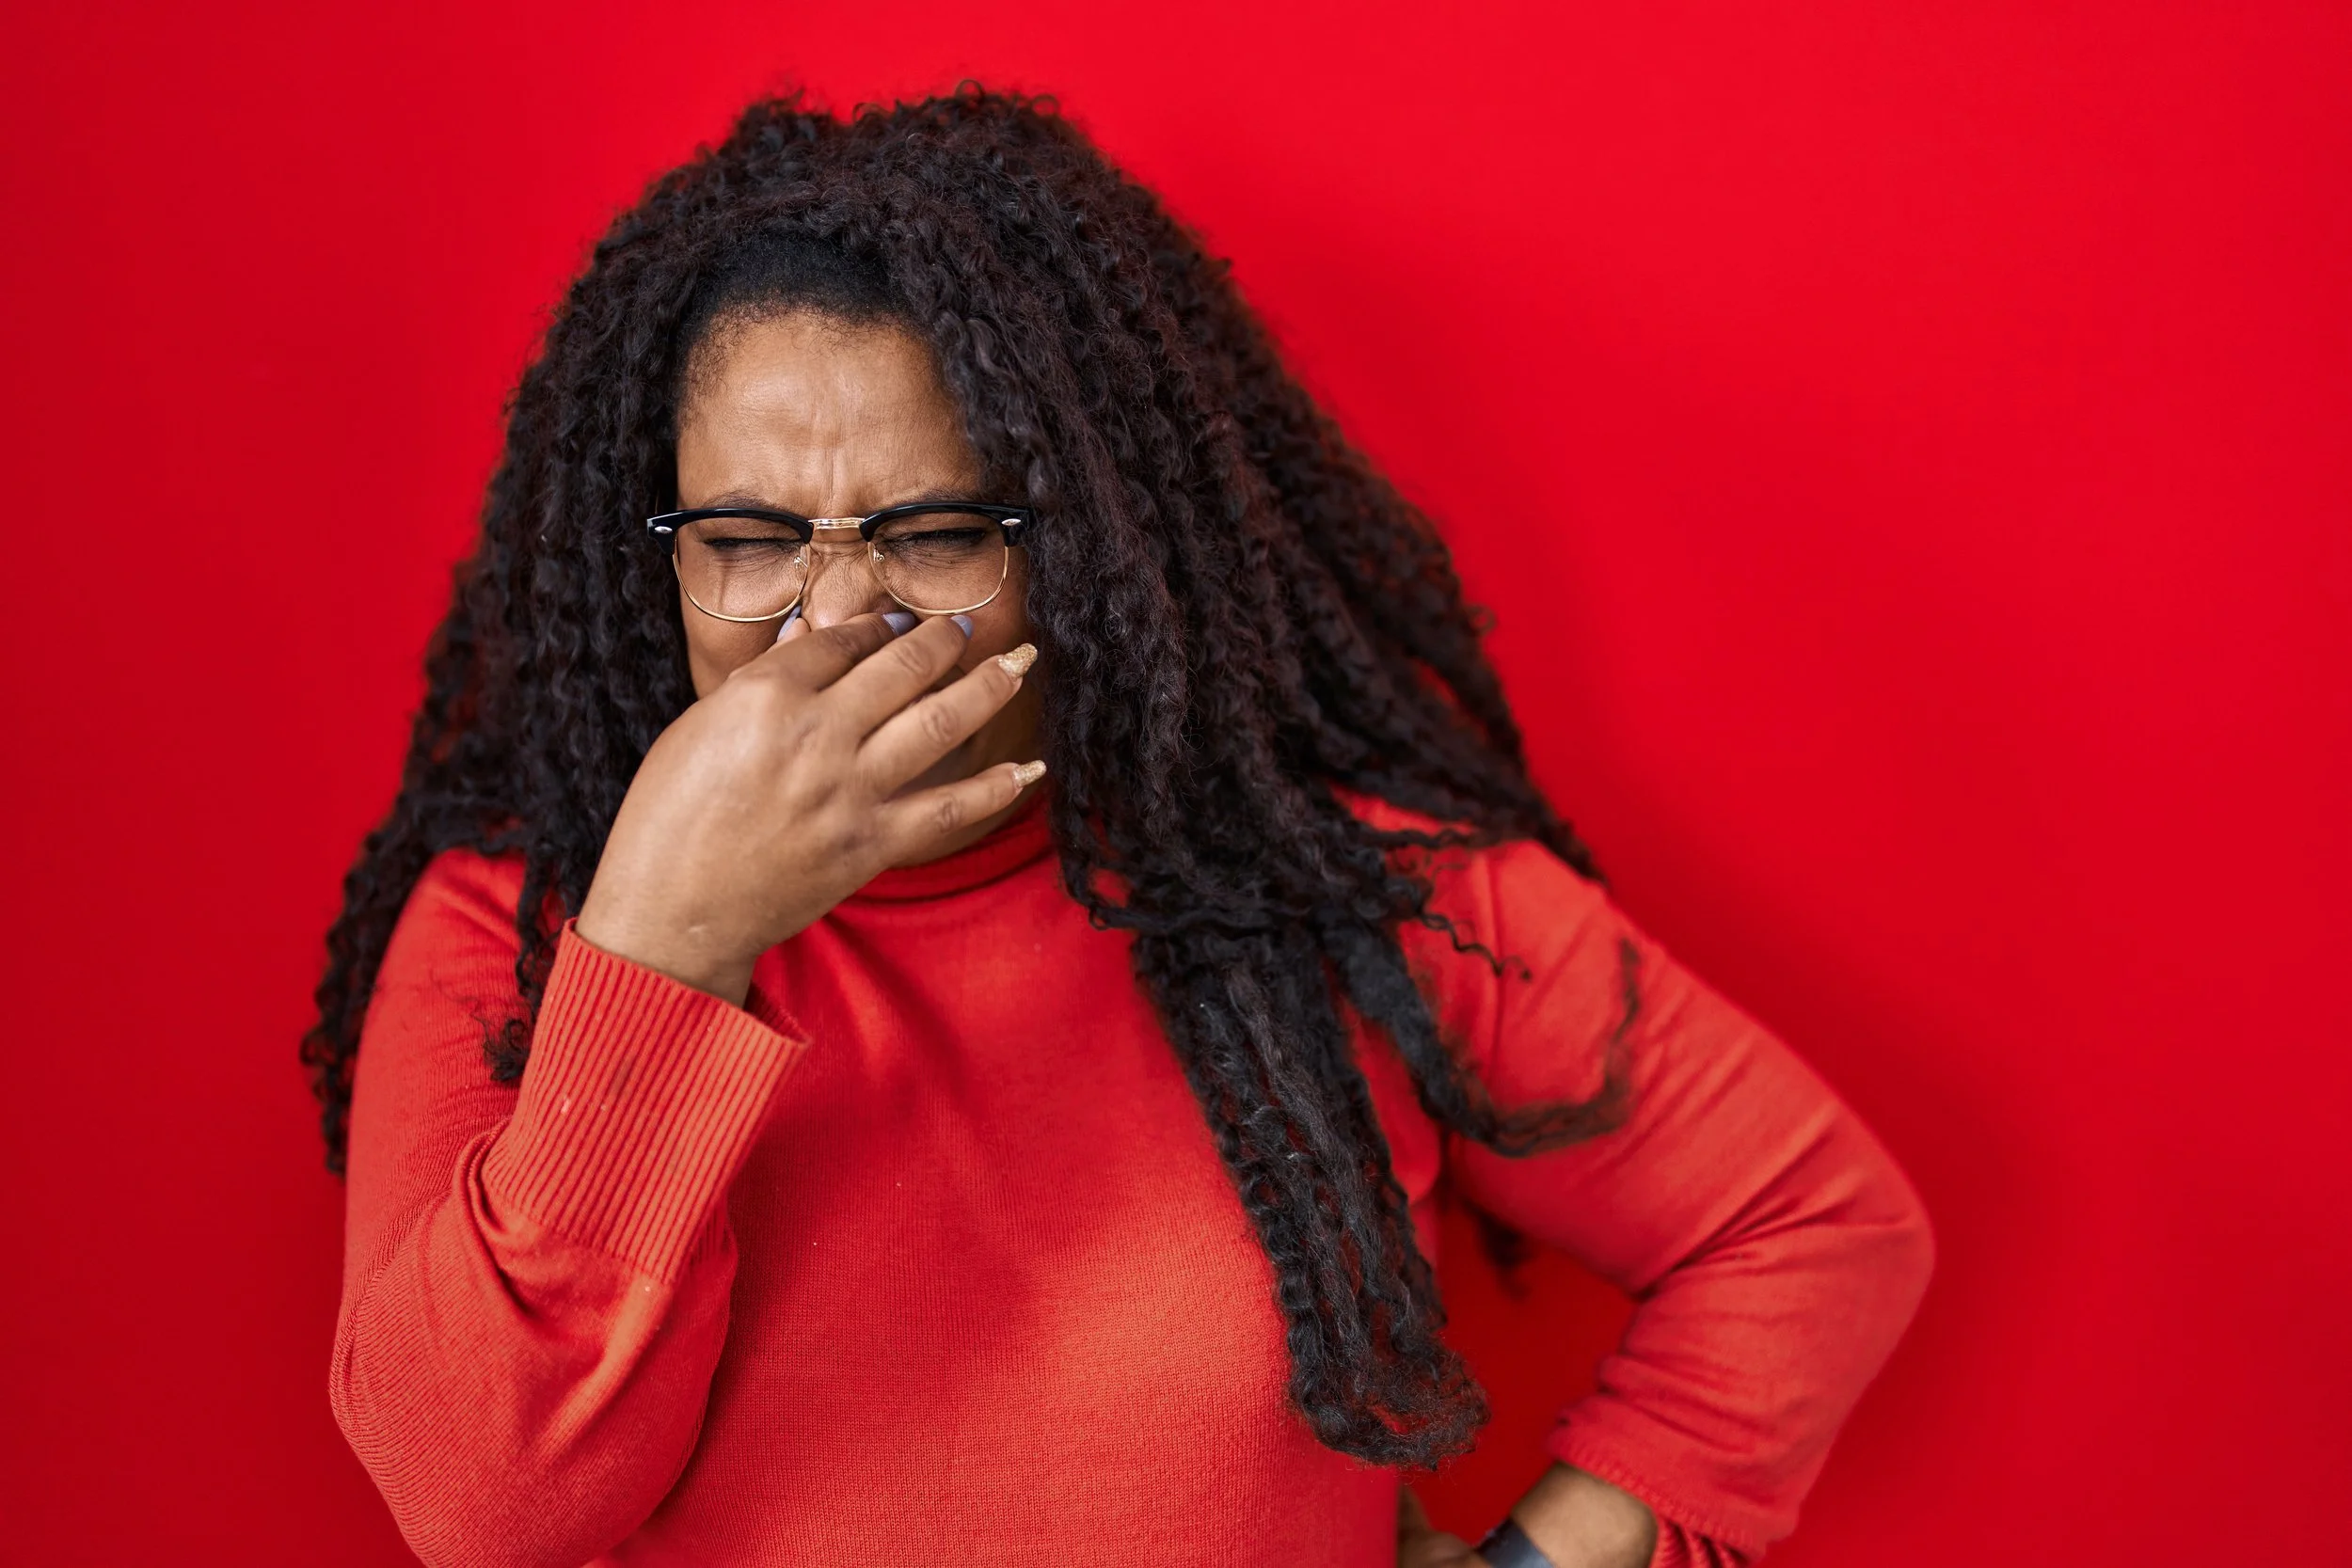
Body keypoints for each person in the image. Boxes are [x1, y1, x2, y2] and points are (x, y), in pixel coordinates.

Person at [307, 87, 1933, 1568]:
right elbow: (479, 1510)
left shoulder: (1330, 890)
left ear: (1079, 534)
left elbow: (1812, 1224)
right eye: (745, 536)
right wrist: (661, 950)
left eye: (937, 530)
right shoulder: (507, 935)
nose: (835, 616)